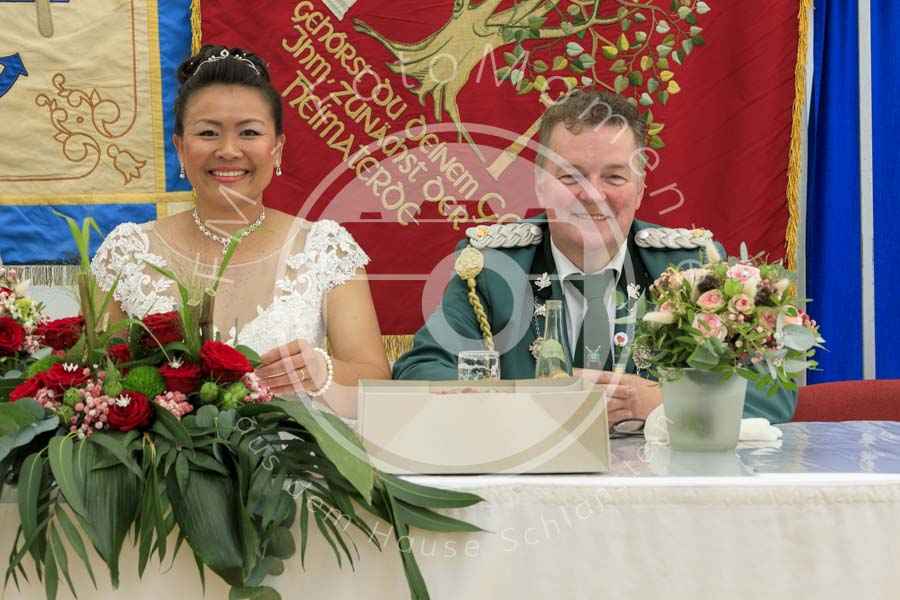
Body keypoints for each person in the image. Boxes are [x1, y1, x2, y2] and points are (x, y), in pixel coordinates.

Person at [392, 90, 796, 424]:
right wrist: (537, 402)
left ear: (640, 190)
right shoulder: (492, 267)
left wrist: (662, 401)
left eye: (614, 177)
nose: (592, 194)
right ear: (539, 186)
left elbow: (773, 392)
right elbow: (419, 375)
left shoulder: (692, 267)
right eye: (570, 176)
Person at [90, 45, 389, 418]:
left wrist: (322, 372)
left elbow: (377, 387)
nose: (228, 151)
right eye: (208, 133)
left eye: (248, 132)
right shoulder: (127, 251)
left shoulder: (325, 249)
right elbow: (97, 386)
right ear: (180, 147)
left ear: (277, 148)